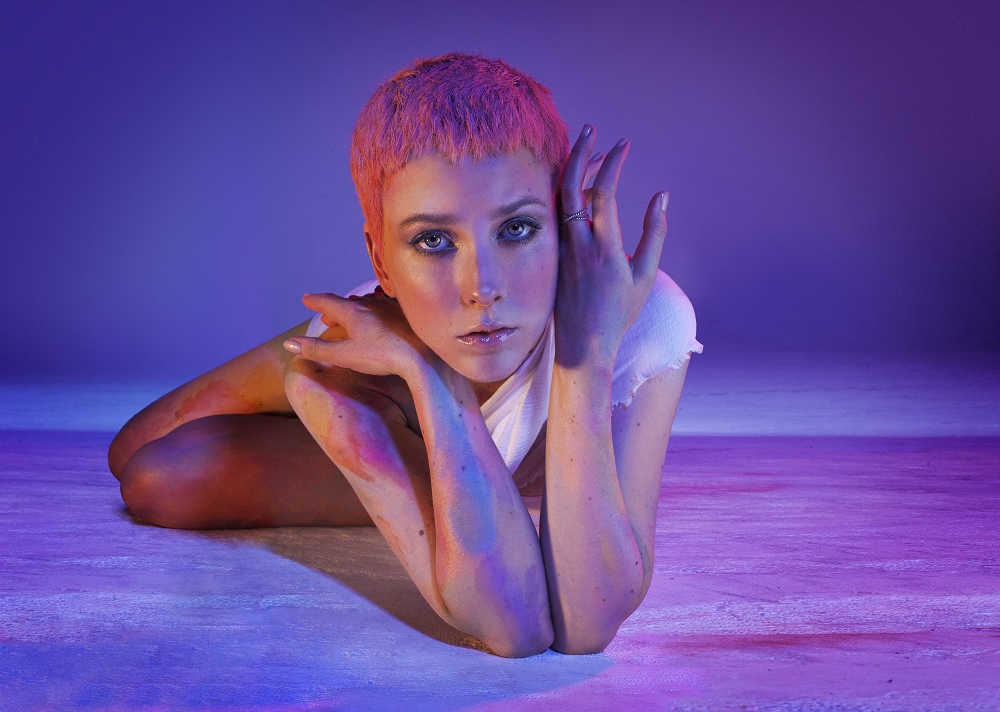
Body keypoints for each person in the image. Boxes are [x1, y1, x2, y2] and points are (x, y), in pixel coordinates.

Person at [108, 53, 702, 657]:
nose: (482, 288)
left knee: (164, 476)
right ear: (381, 259)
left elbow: (557, 626)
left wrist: (588, 350)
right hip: (395, 341)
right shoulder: (349, 373)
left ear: (563, 224)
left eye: (516, 229)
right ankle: (338, 351)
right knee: (141, 458)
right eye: (433, 240)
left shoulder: (641, 313)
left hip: (440, 346)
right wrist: (427, 369)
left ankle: (439, 458)